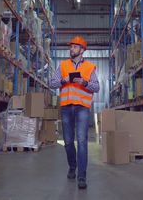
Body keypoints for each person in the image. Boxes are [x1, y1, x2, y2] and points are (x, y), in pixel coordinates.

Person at [49, 36, 99, 190]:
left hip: (82, 107)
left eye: (75, 47)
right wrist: (63, 81)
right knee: (69, 141)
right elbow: (51, 83)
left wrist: (84, 83)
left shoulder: (90, 67)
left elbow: (96, 87)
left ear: (82, 50)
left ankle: (82, 176)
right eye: (71, 47)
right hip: (66, 107)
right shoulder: (62, 66)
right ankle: (72, 166)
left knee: (82, 141)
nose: (71, 49)